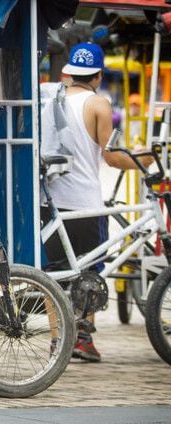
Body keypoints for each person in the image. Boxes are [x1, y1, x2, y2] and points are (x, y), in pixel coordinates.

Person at [40, 42, 153, 363]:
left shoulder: (50, 98)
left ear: (70, 72)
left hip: (48, 200)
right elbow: (113, 158)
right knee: (89, 272)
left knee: (55, 274)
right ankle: (84, 338)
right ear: (99, 75)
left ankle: (57, 339)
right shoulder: (98, 105)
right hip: (84, 202)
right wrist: (147, 160)